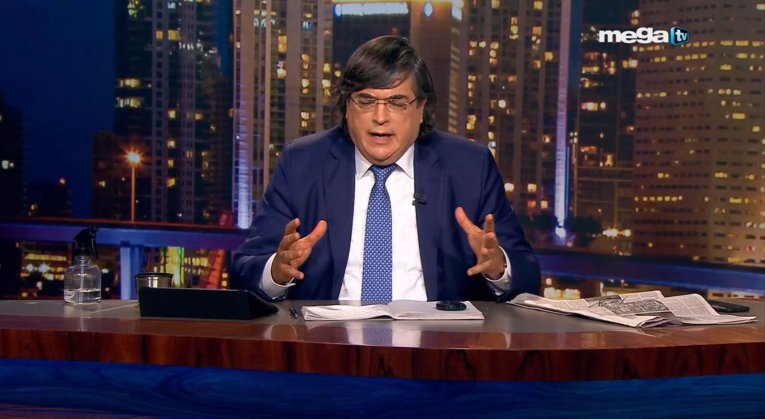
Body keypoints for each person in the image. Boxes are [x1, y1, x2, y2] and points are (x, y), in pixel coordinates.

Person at [232, 35, 540, 302]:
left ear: (421, 109)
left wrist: (498, 267)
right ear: (347, 106)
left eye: (397, 102)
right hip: (327, 340)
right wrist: (277, 270)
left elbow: (527, 275)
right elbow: (245, 269)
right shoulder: (302, 163)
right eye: (366, 101)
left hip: (437, 342)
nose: (380, 117)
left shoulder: (470, 166)